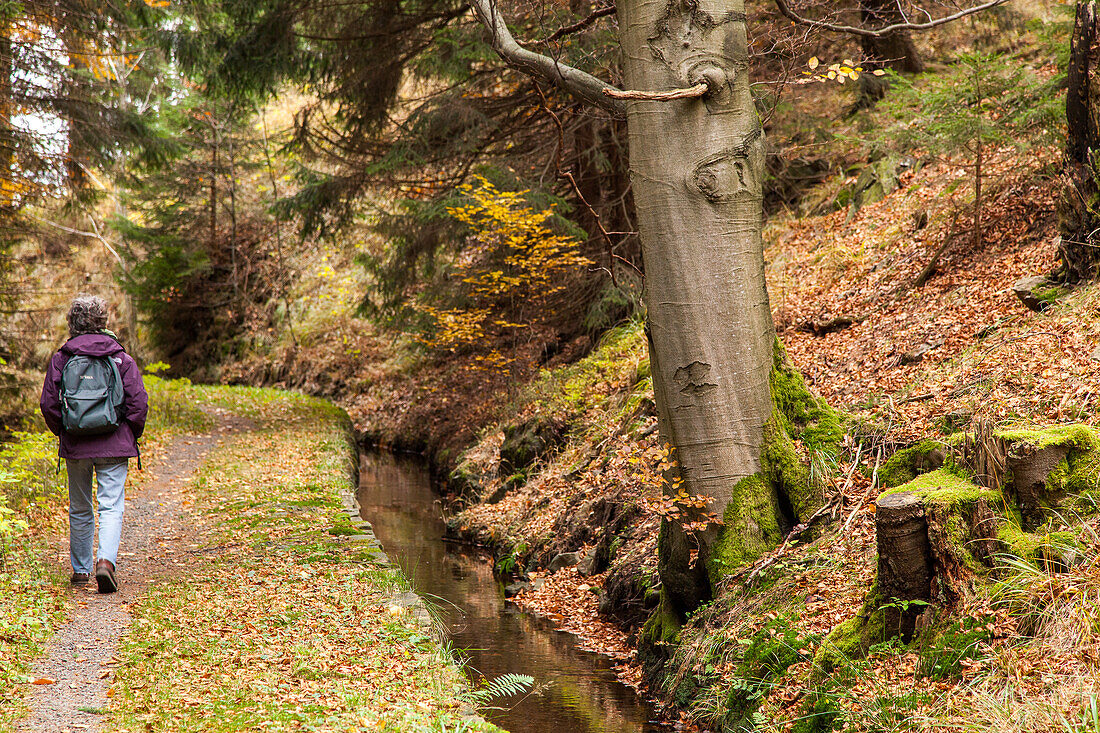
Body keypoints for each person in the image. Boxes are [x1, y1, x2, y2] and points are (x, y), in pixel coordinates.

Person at [39, 295, 148, 594]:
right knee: (111, 506)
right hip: (115, 444)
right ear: (103, 321)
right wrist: (128, 433)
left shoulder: (62, 358)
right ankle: (105, 564)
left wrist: (65, 431)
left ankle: (80, 571)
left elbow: (49, 404)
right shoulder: (120, 358)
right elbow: (138, 403)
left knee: (80, 507)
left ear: (72, 322)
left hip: (76, 444)